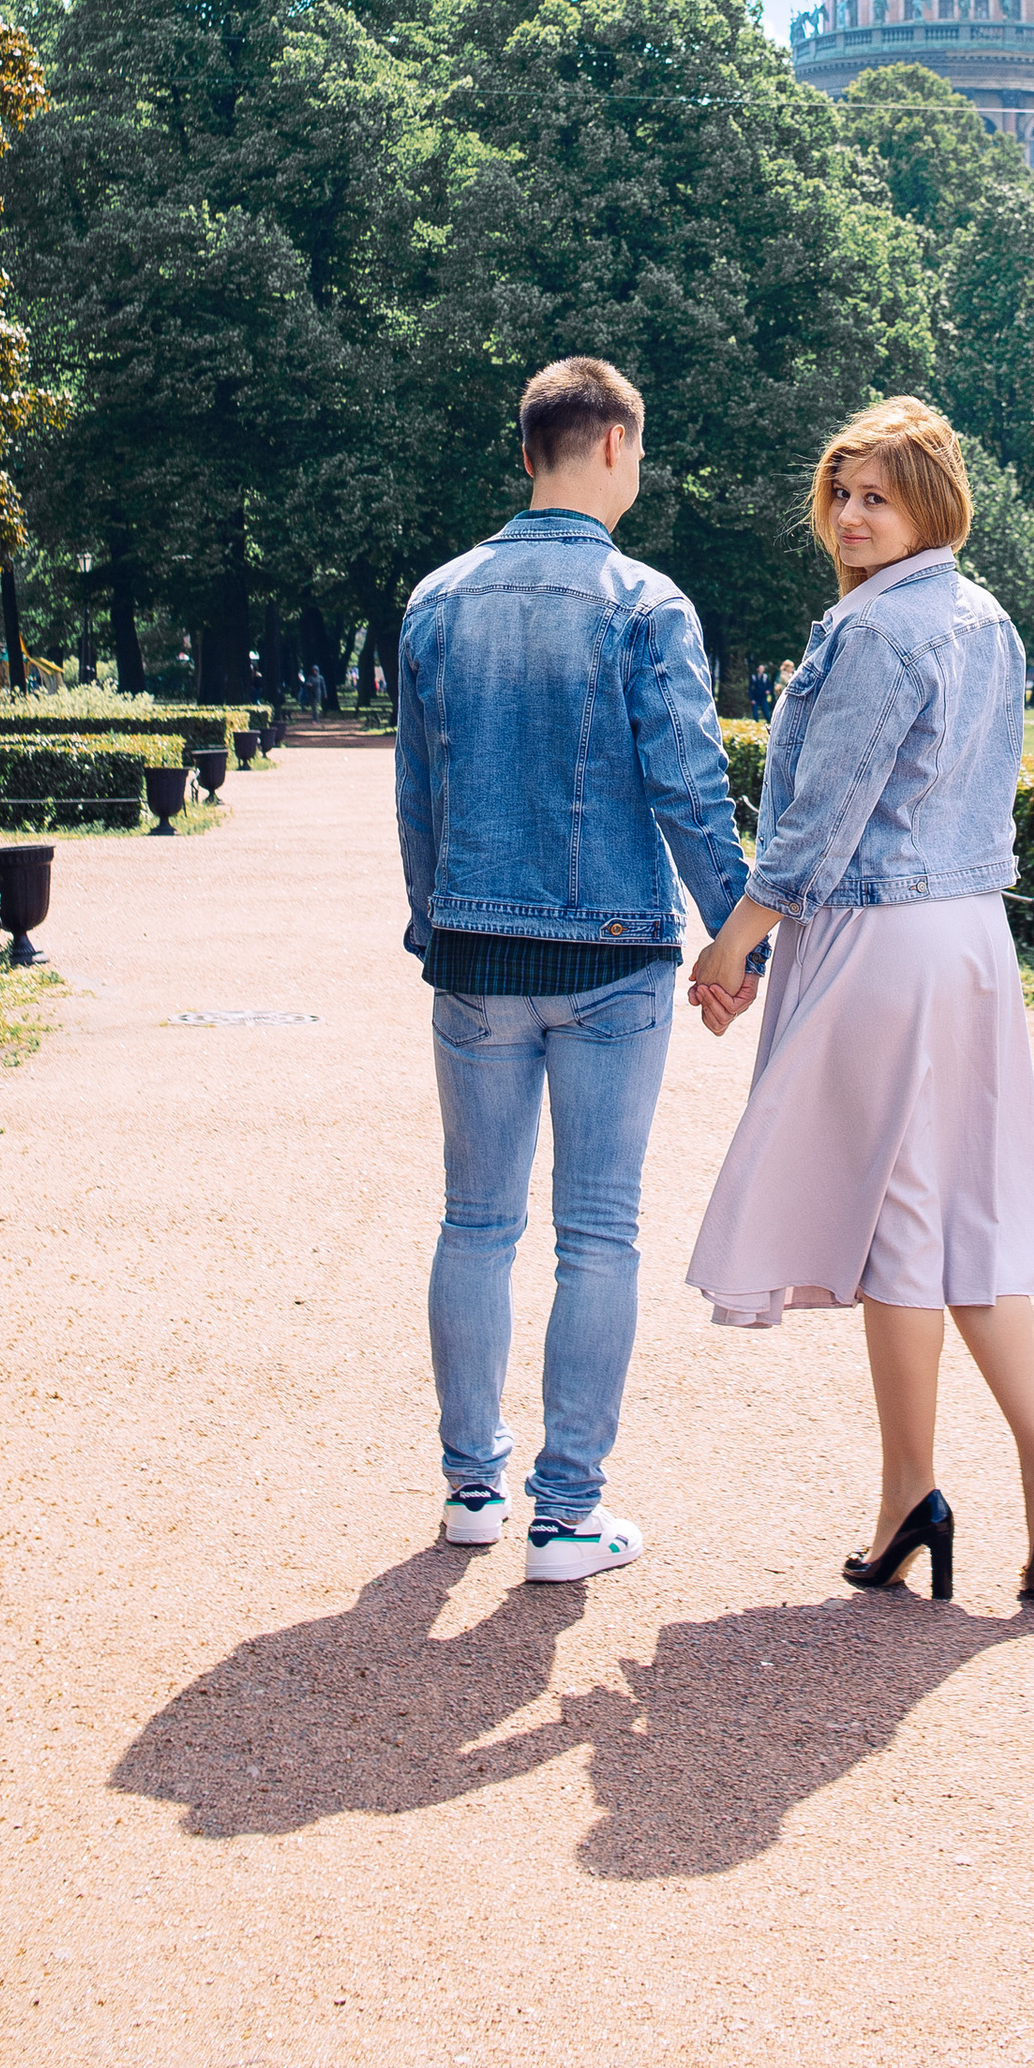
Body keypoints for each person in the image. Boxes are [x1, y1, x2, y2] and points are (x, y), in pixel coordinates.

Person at [682, 396, 1034, 1609]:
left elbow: (823, 811)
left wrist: (735, 944)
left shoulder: (877, 635)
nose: (854, 515)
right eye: (843, 493)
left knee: (906, 1224)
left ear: (932, 506)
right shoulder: (986, 619)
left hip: (882, 937)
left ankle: (913, 1492)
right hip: (968, 935)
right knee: (957, 1212)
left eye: (879, 495)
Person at [394, 353, 753, 1582]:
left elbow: (418, 798)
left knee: (474, 1223)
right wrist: (733, 935)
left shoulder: (436, 599)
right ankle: (566, 1514)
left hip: (476, 951)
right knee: (597, 1232)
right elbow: (688, 789)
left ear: (530, 447)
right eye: (639, 452)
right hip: (609, 954)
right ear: (611, 445)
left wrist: (431, 927)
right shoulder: (647, 603)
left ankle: (470, 1491)